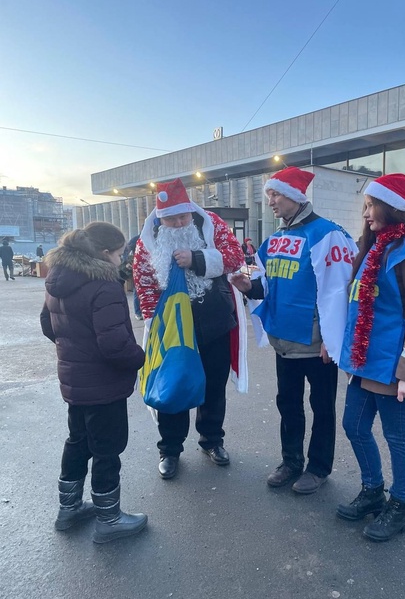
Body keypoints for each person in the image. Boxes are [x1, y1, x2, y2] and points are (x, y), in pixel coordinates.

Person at [337, 173, 405, 542]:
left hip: (395, 366)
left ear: (392, 207)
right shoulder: (377, 245)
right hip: (366, 361)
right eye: (365, 206)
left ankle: (399, 506)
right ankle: (373, 490)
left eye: (371, 206)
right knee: (353, 426)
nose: (366, 214)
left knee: (397, 437)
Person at [231, 167, 357, 494]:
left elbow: (339, 291)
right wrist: (249, 287)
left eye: (275, 194)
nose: (270, 201)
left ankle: (318, 468)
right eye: (268, 195)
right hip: (283, 342)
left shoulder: (328, 234)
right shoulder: (274, 239)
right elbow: (265, 285)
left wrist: (334, 339)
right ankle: (291, 461)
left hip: (317, 346)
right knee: (287, 404)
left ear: (296, 196)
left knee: (322, 408)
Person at [40, 222, 148, 543]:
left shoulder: (56, 280)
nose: (122, 258)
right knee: (107, 449)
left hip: (74, 381)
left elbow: (48, 326)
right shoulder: (104, 285)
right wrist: (140, 358)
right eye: (119, 253)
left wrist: (75, 349)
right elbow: (115, 345)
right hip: (103, 385)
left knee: (78, 441)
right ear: (103, 253)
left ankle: (69, 508)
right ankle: (109, 518)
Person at [133, 178, 244, 480]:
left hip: (212, 320)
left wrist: (197, 259)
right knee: (174, 383)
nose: (179, 222)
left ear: (190, 211)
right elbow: (143, 282)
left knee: (213, 385)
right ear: (160, 217)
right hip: (173, 326)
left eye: (182, 216)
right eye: (171, 218)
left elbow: (235, 257)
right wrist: (153, 322)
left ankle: (212, 440)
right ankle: (169, 449)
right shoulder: (148, 240)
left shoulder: (212, 224)